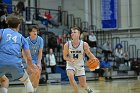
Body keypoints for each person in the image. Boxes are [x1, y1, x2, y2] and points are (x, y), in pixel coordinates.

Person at [0, 15, 34, 93]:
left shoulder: (2, 31)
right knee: (26, 81)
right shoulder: (21, 37)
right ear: (19, 26)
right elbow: (29, 57)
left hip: (1, 61)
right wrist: (30, 67)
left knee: (3, 80)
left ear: (8, 24)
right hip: (15, 62)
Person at [63, 26, 98, 93]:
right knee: (70, 76)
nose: (72, 33)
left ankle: (87, 89)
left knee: (83, 85)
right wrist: (70, 59)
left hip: (80, 65)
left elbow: (89, 53)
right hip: (71, 64)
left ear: (79, 34)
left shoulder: (84, 44)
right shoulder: (67, 44)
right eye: (72, 32)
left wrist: (95, 59)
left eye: (74, 32)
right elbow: (64, 57)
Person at [23, 25, 44, 93]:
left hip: (37, 59)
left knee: (38, 75)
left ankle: (33, 89)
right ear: (29, 32)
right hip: (29, 59)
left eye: (36, 31)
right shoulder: (26, 40)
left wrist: (38, 63)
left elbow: (40, 52)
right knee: (35, 72)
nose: (35, 32)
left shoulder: (40, 39)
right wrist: (28, 63)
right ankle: (31, 88)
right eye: (33, 31)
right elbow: (23, 53)